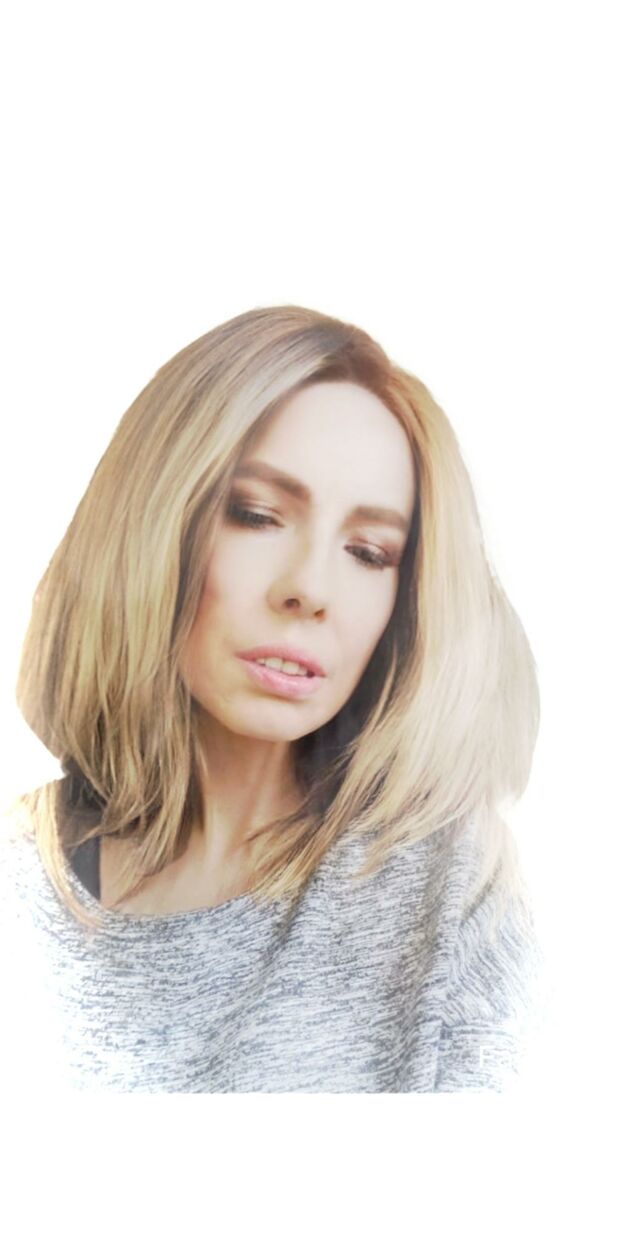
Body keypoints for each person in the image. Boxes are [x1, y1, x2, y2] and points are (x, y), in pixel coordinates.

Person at [0, 304, 549, 1092]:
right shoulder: (20, 873)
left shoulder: (453, 888)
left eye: (369, 552)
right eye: (257, 516)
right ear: (154, 524)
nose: (310, 589)